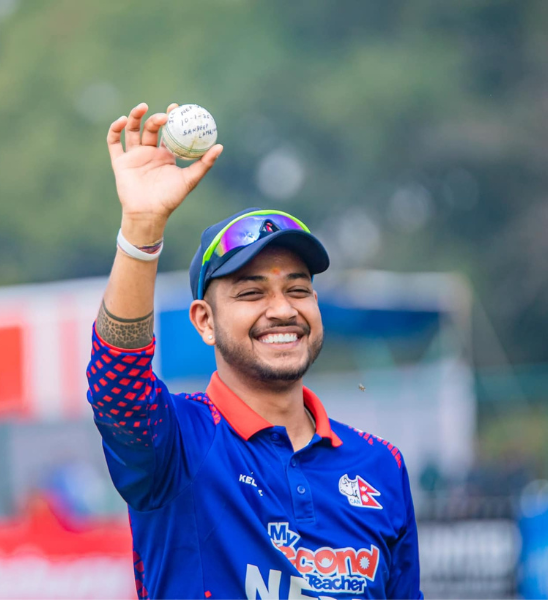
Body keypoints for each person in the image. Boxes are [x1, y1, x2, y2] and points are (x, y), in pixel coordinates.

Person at [88, 101, 422, 599]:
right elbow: (117, 383)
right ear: (205, 321)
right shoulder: (180, 444)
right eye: (251, 293)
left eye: (298, 289)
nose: (282, 309)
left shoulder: (380, 465)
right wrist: (141, 230)